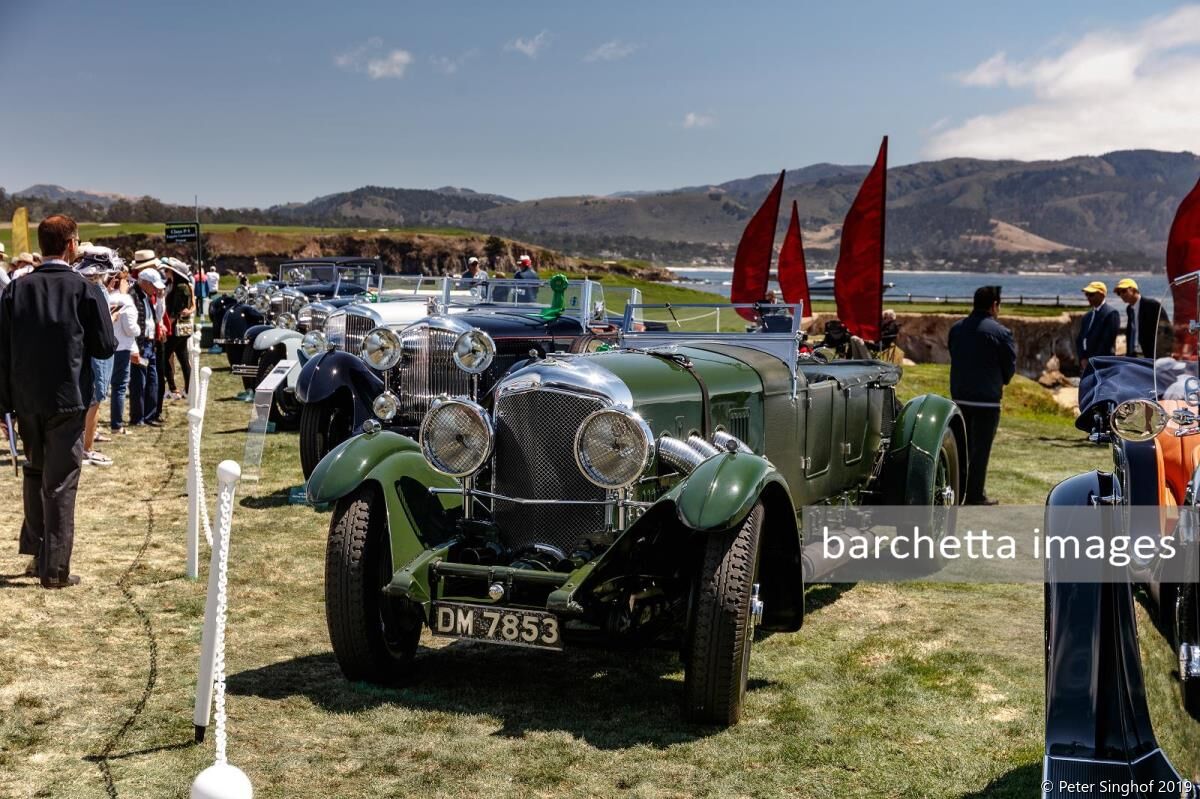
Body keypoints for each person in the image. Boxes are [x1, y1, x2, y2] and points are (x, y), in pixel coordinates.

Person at [0, 214, 116, 587]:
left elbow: (2, 350)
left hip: (26, 398)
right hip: (68, 398)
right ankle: (54, 570)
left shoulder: (16, 289)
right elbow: (105, 347)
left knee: (35, 472)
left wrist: (4, 404)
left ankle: (37, 554)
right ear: (71, 245)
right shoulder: (84, 289)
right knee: (61, 482)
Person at [948, 286, 1017, 506]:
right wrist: (1001, 381)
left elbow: (953, 353)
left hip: (960, 396)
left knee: (962, 447)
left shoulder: (956, 329)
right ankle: (975, 494)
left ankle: (957, 490)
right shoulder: (1001, 333)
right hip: (987, 400)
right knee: (981, 450)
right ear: (994, 305)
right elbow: (1009, 366)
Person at [74, 249, 123, 467]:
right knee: (95, 398)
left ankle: (84, 446)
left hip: (85, 351)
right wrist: (111, 318)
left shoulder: (80, 286)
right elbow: (100, 327)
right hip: (96, 352)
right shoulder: (96, 289)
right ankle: (87, 448)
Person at [129, 267, 166, 427]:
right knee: (139, 382)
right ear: (145, 283)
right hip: (141, 344)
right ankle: (138, 417)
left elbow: (157, 317)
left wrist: (161, 299)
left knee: (152, 380)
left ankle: (149, 415)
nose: (156, 290)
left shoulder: (146, 297)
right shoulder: (133, 296)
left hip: (150, 344)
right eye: (153, 286)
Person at [106, 264, 139, 435]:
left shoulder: (106, 297)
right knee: (119, 387)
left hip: (107, 345)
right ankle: (117, 424)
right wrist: (139, 330)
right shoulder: (125, 300)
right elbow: (130, 328)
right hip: (122, 346)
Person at [160, 258, 195, 399]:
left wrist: (166, 327)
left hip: (175, 329)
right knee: (183, 358)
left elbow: (176, 311)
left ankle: (173, 388)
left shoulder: (180, 287)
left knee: (165, 357)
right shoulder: (175, 285)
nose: (165, 272)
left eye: (167, 270)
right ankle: (188, 389)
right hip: (180, 329)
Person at [1114, 278, 1167, 358]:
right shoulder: (1129, 309)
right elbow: (1131, 331)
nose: (1121, 295)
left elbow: (1166, 329)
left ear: (1134, 290)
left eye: (1124, 291)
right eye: (1119, 293)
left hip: (1151, 354)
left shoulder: (1152, 305)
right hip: (1134, 354)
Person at [1075, 281, 1120, 374]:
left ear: (1101, 295)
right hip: (1086, 364)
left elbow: (1106, 343)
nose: (1088, 297)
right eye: (1086, 294)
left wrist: (1092, 361)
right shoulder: (1087, 316)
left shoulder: (1111, 314)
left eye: (1091, 294)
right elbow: (1080, 339)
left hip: (1103, 364)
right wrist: (1082, 358)